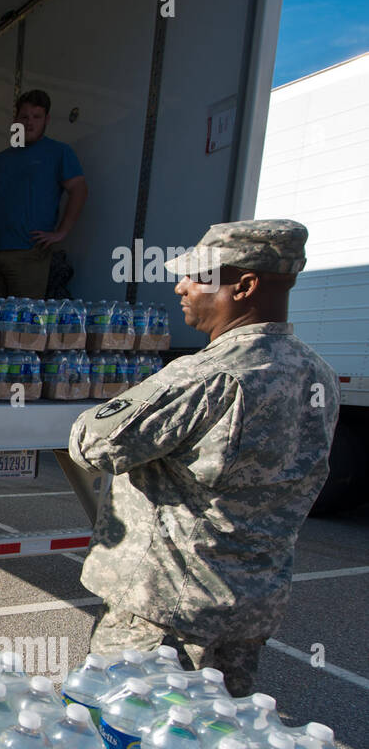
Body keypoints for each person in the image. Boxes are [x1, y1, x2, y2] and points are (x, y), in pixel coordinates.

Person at [68, 220, 338, 696]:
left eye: (197, 275)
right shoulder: (318, 374)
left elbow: (93, 443)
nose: (181, 286)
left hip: (165, 620)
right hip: (245, 615)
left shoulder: (205, 377)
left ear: (245, 285)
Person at [0, 89, 88, 298]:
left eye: (37, 117)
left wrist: (62, 232)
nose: (29, 122)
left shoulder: (58, 152)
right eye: (24, 117)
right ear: (16, 119)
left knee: (24, 323)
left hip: (29, 253)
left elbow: (79, 189)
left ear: (47, 119)